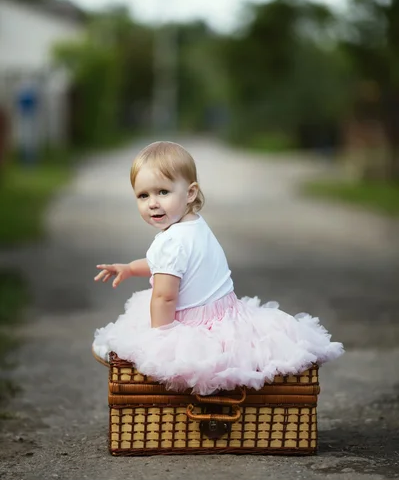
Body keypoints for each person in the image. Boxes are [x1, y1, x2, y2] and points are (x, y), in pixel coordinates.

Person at [92, 141, 344, 395]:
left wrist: (159, 342)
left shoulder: (171, 241)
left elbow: (164, 296)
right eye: (143, 195)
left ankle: (138, 369)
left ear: (190, 193)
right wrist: (131, 268)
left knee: (143, 335)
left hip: (193, 324)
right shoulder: (194, 224)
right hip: (226, 315)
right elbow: (168, 266)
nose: (152, 203)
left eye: (163, 192)